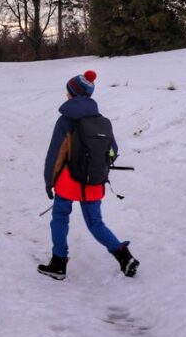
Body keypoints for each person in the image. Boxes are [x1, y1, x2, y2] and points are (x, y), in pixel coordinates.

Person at [36, 70, 139, 280]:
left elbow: (56, 153)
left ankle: (58, 263)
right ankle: (123, 256)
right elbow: (113, 151)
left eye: (68, 91)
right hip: (93, 181)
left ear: (72, 94)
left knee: (60, 218)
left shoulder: (66, 121)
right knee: (95, 223)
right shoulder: (101, 120)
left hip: (68, 182)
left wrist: (49, 182)